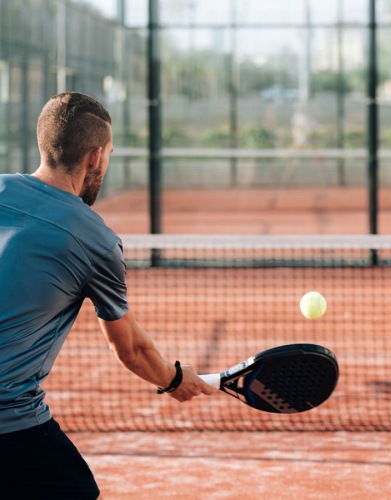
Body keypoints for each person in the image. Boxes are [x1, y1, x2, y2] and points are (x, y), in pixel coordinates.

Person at [0, 92, 214, 499]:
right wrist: (173, 380)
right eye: (110, 154)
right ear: (94, 157)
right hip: (10, 422)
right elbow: (130, 348)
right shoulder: (94, 239)